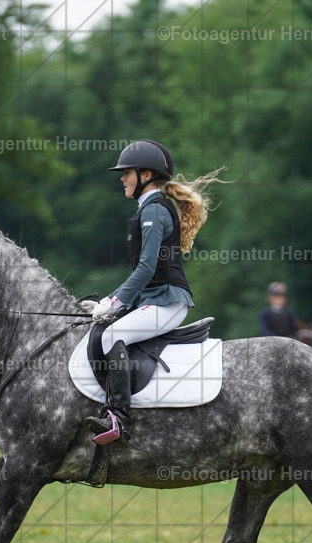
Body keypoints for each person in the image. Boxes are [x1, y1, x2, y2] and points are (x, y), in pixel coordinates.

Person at [84, 140, 223, 445]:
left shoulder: (155, 211)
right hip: (156, 299)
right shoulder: (149, 209)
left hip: (168, 302)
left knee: (110, 337)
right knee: (106, 329)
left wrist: (114, 301)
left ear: (145, 175)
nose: (122, 178)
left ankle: (118, 418)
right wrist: (110, 303)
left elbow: (146, 269)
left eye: (127, 173)